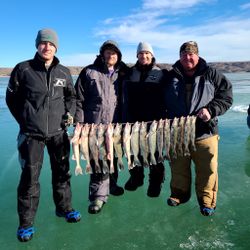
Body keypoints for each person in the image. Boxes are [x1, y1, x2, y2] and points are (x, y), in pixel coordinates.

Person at [6, 28, 81, 242]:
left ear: (56, 47)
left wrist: (71, 115)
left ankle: (64, 208)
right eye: (43, 43)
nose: (47, 47)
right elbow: (12, 99)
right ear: (37, 45)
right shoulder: (23, 69)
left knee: (62, 173)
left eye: (51, 44)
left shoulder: (64, 72)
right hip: (32, 135)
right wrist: (26, 120)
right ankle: (26, 224)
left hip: (58, 133)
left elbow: (72, 97)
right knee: (30, 179)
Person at [162, 41, 233, 216]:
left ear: (198, 55)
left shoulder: (212, 74)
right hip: (177, 132)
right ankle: (179, 195)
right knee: (178, 167)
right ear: (180, 56)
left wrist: (211, 110)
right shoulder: (170, 76)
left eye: (191, 54)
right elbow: (160, 101)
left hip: (205, 132)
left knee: (208, 170)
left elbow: (226, 97)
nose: (188, 58)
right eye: (184, 54)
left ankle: (207, 201)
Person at [74, 40, 128, 214]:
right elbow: (78, 99)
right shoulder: (89, 72)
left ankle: (112, 185)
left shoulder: (123, 74)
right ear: (102, 54)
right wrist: (79, 123)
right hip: (94, 125)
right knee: (98, 160)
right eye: (107, 52)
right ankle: (97, 197)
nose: (110, 55)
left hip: (116, 125)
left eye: (114, 52)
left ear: (118, 56)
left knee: (113, 156)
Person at [122, 42, 165, 197]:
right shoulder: (129, 73)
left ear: (152, 55)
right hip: (132, 120)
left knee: (155, 153)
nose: (144, 56)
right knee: (132, 152)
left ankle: (156, 181)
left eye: (147, 53)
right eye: (141, 53)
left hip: (154, 121)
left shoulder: (161, 74)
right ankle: (136, 177)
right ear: (137, 56)